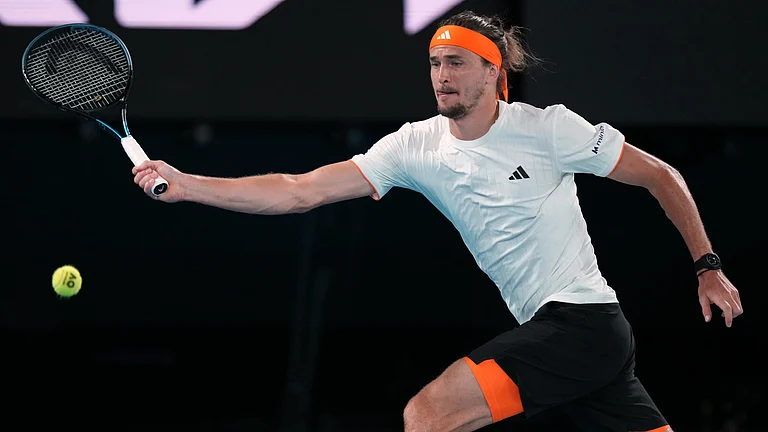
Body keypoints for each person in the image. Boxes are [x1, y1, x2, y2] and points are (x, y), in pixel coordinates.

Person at [132, 10, 743, 432]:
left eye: (455, 63)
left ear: (492, 71)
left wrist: (706, 266)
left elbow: (663, 176)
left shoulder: (548, 128)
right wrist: (189, 186)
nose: (441, 76)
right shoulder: (413, 147)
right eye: (433, 63)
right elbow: (299, 191)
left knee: (428, 415)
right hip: (583, 341)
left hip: (581, 323)